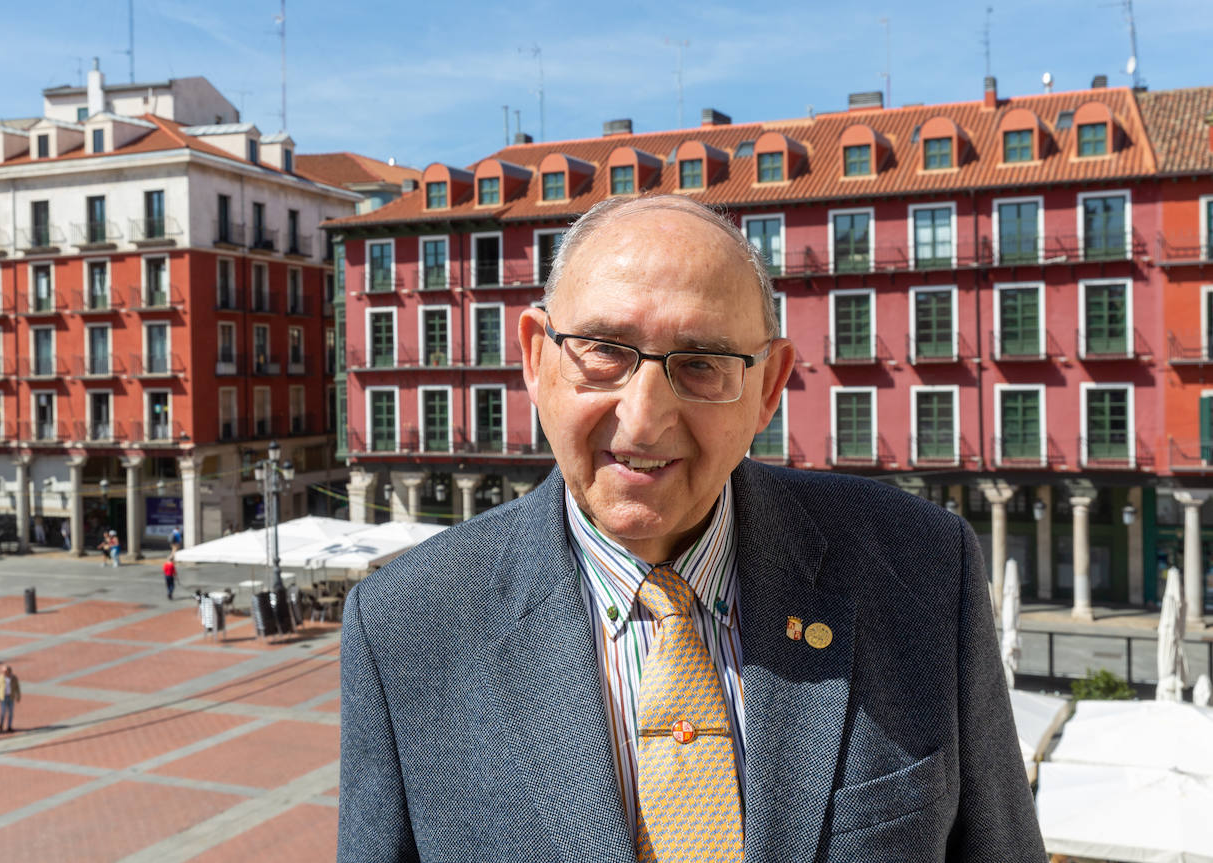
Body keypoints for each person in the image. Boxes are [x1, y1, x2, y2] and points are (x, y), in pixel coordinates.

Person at [337, 196, 1045, 861]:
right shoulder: (402, 628)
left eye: (701, 363)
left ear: (768, 387)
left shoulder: (921, 567)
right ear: (536, 357)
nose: (643, 419)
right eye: (603, 349)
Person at [0, 665, 20, 733]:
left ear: (9, 671)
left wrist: (18, 696)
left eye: (5, 671)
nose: (4, 672)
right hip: (3, 697)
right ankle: (1, 725)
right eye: (3, 671)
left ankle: (9, 726)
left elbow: (17, 687)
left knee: (11, 713)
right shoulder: (0, 678)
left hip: (11, 697)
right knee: (3, 712)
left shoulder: (14, 678)